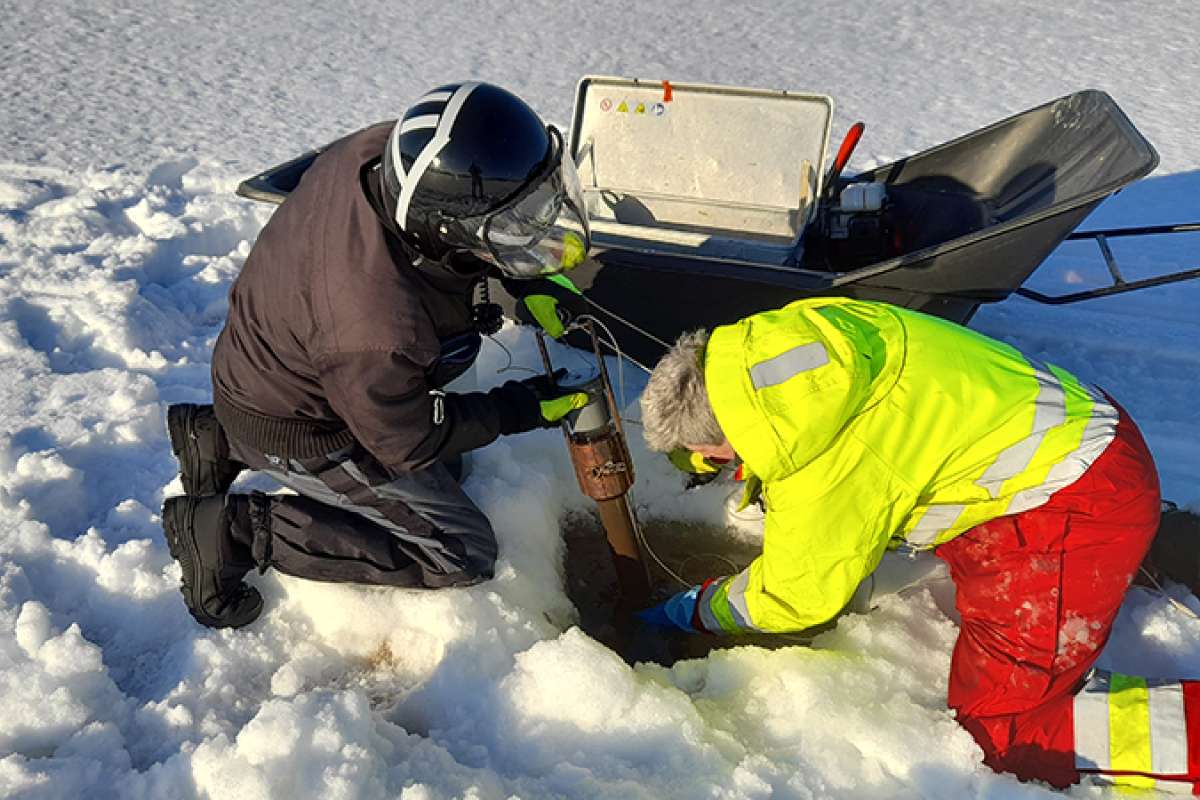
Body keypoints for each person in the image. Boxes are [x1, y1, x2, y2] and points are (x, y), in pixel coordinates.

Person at [638, 295, 1200, 791]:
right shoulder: (802, 335)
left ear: (715, 443)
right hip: (1065, 438)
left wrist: (692, 609)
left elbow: (797, 597)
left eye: (709, 460)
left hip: (1072, 504)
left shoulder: (821, 465)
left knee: (1004, 732)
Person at [162, 82, 589, 630]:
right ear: (442, 230)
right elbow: (407, 441)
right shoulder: (375, 326)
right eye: (505, 226)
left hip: (268, 367)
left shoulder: (385, 151)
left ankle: (216, 438)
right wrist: (518, 409)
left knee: (452, 466)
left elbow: (450, 236)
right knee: (459, 551)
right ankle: (232, 532)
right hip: (307, 427)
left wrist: (516, 274)